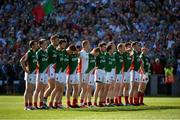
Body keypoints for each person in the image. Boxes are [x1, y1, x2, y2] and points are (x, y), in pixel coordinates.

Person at [49, 39, 67, 109]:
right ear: (60, 44)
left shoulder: (63, 52)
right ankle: (51, 103)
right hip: (56, 72)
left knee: (61, 88)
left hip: (61, 72)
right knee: (57, 88)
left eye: (65, 44)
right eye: (63, 44)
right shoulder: (56, 51)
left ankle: (58, 103)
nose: (64, 45)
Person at [20, 40, 38, 110]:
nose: (37, 45)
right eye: (36, 44)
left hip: (34, 73)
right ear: (32, 45)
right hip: (30, 73)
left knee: (32, 90)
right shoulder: (29, 52)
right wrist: (26, 70)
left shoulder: (35, 53)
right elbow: (21, 61)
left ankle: (30, 105)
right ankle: (26, 105)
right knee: (28, 90)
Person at [43, 35, 59, 108]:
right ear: (52, 40)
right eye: (56, 40)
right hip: (50, 68)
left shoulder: (55, 49)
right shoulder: (49, 48)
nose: (58, 41)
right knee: (52, 86)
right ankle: (43, 102)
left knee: (51, 86)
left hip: (53, 68)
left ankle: (47, 103)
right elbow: (46, 58)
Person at [33, 39, 48, 109]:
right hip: (40, 73)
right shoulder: (38, 52)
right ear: (41, 45)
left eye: (46, 43)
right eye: (44, 43)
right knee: (37, 89)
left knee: (43, 89)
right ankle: (35, 104)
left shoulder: (46, 53)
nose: (46, 44)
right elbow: (36, 62)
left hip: (45, 73)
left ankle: (41, 104)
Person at [94, 42, 106, 107]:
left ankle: (101, 102)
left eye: (105, 47)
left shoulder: (104, 54)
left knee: (103, 88)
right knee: (98, 88)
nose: (105, 48)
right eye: (104, 47)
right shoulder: (98, 54)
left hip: (104, 72)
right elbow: (94, 63)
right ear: (100, 47)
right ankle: (95, 102)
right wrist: (96, 67)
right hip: (99, 71)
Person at [78, 40, 90, 107]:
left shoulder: (87, 53)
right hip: (82, 73)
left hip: (86, 73)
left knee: (85, 88)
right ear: (85, 45)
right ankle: (77, 102)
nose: (89, 46)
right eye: (88, 44)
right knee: (81, 88)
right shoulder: (81, 53)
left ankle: (82, 102)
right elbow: (78, 61)